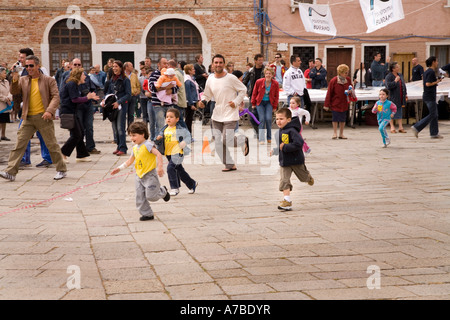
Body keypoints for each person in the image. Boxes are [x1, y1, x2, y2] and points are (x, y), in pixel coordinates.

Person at [1, 55, 67, 182]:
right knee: (19, 144)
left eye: (31, 65)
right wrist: (14, 79)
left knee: (51, 145)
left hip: (44, 117)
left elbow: (56, 97)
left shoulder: (49, 80)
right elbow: (14, 92)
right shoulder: (23, 79)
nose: (29, 68)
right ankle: (10, 172)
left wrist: (49, 111)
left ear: (38, 66)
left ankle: (61, 169)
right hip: (28, 117)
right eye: (27, 66)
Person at [198, 54, 249, 172]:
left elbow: (243, 90)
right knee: (217, 142)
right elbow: (207, 94)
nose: (218, 65)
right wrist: (203, 102)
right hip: (217, 114)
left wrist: (236, 102)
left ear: (224, 64)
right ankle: (230, 164)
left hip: (230, 114)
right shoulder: (210, 78)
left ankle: (243, 140)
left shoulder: (231, 78)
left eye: (220, 62)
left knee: (227, 140)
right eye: (216, 62)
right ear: (212, 64)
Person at [110, 121, 170, 221]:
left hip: (150, 175)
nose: (132, 138)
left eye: (134, 135)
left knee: (151, 196)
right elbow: (130, 161)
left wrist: (160, 167)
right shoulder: (134, 148)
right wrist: (119, 168)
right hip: (139, 176)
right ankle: (147, 214)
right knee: (140, 197)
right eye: (130, 136)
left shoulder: (148, 145)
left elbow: (158, 154)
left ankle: (163, 191)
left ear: (142, 134)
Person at [14, 48, 53, 168]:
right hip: (26, 110)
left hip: (40, 110)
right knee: (22, 135)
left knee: (43, 135)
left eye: (22, 57)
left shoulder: (42, 71)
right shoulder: (21, 71)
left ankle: (48, 158)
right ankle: (24, 159)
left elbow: (47, 89)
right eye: (20, 57)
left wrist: (49, 110)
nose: (20, 59)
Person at [270, 108, 314, 211]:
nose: (278, 121)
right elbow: (281, 145)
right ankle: (287, 201)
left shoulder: (292, 130)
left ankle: (308, 177)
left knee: (303, 178)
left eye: (281, 119)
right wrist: (276, 150)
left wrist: (284, 147)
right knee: (284, 180)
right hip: (285, 161)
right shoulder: (280, 131)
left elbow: (299, 144)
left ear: (289, 120)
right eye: (277, 119)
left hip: (296, 160)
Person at [60, 68, 100, 162]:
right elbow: (74, 99)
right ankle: (62, 153)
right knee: (76, 134)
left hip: (74, 111)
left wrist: (90, 98)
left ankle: (81, 155)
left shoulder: (76, 85)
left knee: (80, 132)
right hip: (68, 112)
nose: (85, 76)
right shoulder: (71, 84)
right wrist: (87, 97)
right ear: (78, 76)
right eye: (83, 74)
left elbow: (78, 99)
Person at [155, 108, 197, 196]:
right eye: (167, 117)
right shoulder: (164, 129)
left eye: (171, 117)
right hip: (168, 153)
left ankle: (174, 188)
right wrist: (157, 138)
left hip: (178, 153)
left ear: (177, 119)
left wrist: (183, 143)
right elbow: (157, 141)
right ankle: (192, 183)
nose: (168, 119)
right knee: (180, 171)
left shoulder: (180, 129)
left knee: (170, 168)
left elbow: (189, 137)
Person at [103, 60, 131, 156]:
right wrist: (105, 100)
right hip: (112, 106)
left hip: (121, 106)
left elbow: (128, 94)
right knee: (114, 128)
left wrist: (118, 102)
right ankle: (119, 146)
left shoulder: (125, 80)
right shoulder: (112, 80)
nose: (114, 68)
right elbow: (108, 92)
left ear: (120, 68)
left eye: (116, 66)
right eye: (113, 66)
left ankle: (123, 148)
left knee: (120, 127)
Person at [411, 56, 444, 139]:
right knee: (433, 114)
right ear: (433, 62)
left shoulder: (427, 72)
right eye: (436, 61)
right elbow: (428, 84)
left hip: (428, 95)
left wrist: (436, 80)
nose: (437, 63)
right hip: (429, 96)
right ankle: (417, 127)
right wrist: (437, 81)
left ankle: (434, 133)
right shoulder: (430, 72)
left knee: (435, 115)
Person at [324, 64, 355, 140]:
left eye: (347, 72)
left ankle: (341, 133)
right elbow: (329, 93)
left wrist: (350, 91)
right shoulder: (334, 80)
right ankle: (335, 133)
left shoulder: (348, 80)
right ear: (340, 73)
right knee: (335, 118)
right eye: (345, 72)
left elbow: (351, 89)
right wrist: (327, 105)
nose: (346, 74)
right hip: (335, 102)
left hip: (344, 102)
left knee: (343, 118)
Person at [251, 66, 279, 144]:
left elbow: (276, 96)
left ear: (272, 75)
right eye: (266, 73)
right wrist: (253, 103)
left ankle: (269, 137)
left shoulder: (275, 83)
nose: (268, 75)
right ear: (264, 74)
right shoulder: (259, 82)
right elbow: (254, 93)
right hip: (260, 103)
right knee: (262, 119)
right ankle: (261, 139)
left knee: (268, 119)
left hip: (269, 103)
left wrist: (275, 106)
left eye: (269, 73)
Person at [149, 57, 177, 135]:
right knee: (160, 126)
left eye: (167, 63)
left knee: (172, 125)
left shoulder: (171, 74)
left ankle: (170, 143)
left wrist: (171, 90)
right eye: (164, 63)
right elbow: (152, 88)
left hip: (169, 104)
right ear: (159, 64)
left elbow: (177, 87)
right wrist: (165, 87)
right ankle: (160, 145)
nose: (166, 65)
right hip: (158, 104)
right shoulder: (154, 74)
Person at [385, 62, 407, 133]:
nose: (398, 68)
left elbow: (403, 84)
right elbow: (388, 86)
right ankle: (392, 127)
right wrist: (395, 81)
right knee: (391, 111)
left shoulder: (400, 75)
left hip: (400, 96)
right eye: (397, 67)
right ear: (393, 69)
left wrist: (405, 93)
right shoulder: (389, 76)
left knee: (399, 111)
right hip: (393, 97)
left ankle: (400, 127)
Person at [168, 59, 187, 129]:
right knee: (180, 120)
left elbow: (176, 88)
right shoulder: (179, 73)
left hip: (178, 100)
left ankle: (187, 136)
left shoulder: (175, 74)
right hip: (180, 100)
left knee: (179, 120)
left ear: (170, 66)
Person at [184, 63, 201, 134]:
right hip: (189, 102)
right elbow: (188, 93)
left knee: (190, 120)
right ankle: (188, 135)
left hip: (193, 101)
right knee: (188, 120)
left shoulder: (192, 79)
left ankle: (189, 134)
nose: (194, 70)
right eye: (193, 69)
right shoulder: (187, 81)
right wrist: (191, 104)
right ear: (189, 71)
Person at [124, 62, 141, 127]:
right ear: (126, 67)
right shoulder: (122, 75)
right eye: (131, 66)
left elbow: (138, 85)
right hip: (125, 97)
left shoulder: (134, 75)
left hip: (133, 96)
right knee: (123, 114)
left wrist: (137, 91)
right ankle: (123, 129)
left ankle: (130, 128)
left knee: (131, 114)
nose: (132, 67)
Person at [0, 67, 12, 141]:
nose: (5, 74)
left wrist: (9, 97)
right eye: (4, 73)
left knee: (4, 120)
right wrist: (5, 99)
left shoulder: (7, 81)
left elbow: (10, 91)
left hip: (6, 104)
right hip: (1, 103)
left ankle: (3, 135)